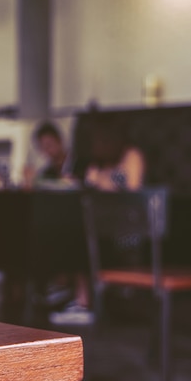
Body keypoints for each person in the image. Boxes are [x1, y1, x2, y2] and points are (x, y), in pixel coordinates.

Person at [48, 118, 146, 326]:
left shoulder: (131, 155)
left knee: (82, 236)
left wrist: (100, 180)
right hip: (104, 226)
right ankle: (68, 289)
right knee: (72, 230)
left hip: (130, 229)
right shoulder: (99, 161)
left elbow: (133, 189)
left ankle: (82, 302)